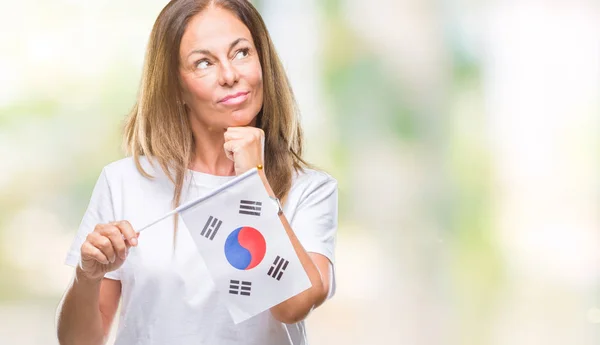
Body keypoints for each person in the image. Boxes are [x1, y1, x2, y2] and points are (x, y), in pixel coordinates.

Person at [55, 0, 337, 344]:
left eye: (242, 53)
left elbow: (292, 306)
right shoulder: (125, 182)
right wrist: (87, 276)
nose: (230, 75)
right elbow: (78, 342)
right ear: (177, 87)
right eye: (204, 63)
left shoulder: (308, 190)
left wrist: (253, 181)